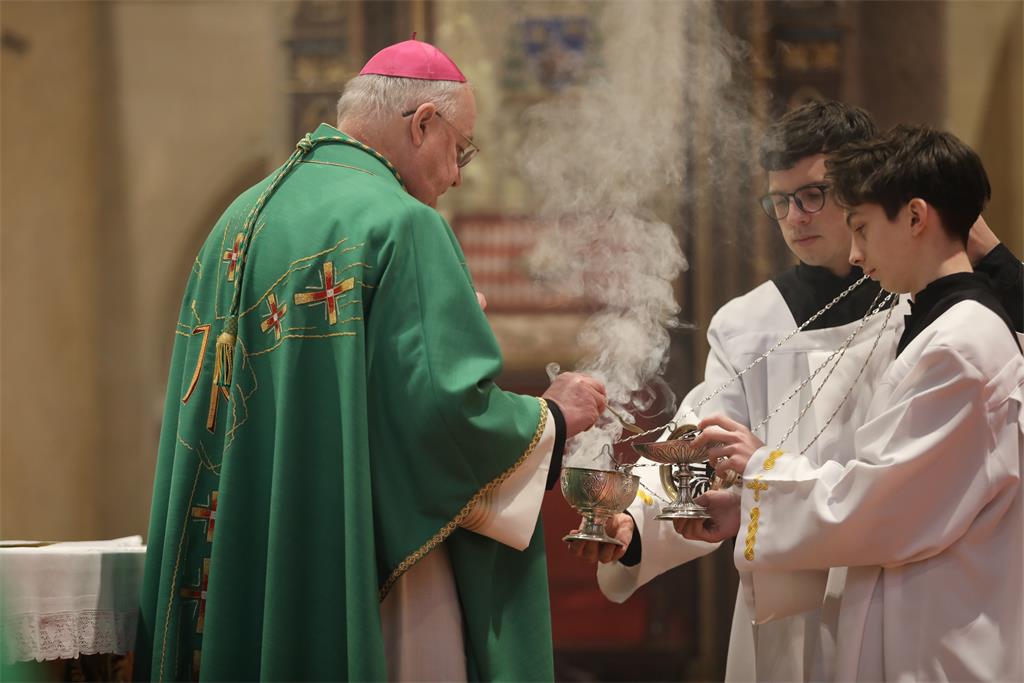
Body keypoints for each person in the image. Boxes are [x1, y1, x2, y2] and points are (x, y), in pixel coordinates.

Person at [133, 39, 608, 682]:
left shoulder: (238, 220)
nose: (457, 176)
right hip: (365, 574)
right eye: (460, 149)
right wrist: (552, 416)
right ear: (422, 124)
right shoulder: (403, 223)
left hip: (251, 551)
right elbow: (443, 419)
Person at [569, 101, 1023, 681]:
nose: (795, 217)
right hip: (788, 598)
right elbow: (698, 441)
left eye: (813, 195)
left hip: (905, 589)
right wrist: (636, 523)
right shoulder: (749, 323)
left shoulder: (935, 309)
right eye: (779, 201)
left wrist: (984, 244)